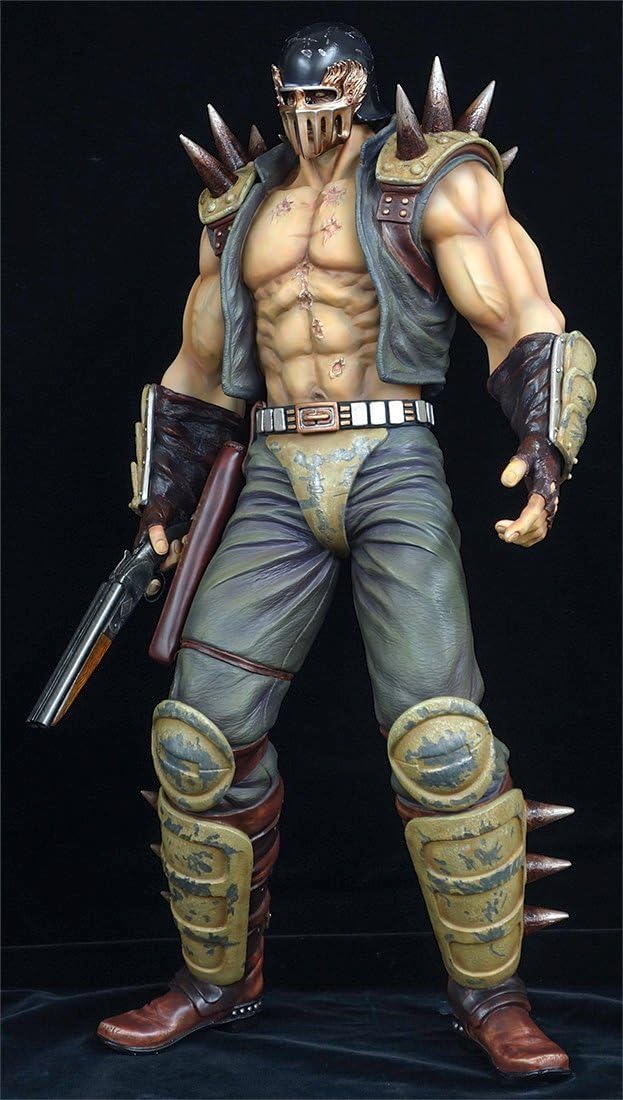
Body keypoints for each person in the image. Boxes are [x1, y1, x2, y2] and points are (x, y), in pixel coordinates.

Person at [96, 23, 596, 1077]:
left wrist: (545, 441)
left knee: (441, 742)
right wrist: (162, 496)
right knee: (197, 736)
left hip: (389, 454)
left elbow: (517, 307)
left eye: (320, 96)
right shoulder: (242, 205)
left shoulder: (427, 179)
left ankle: (491, 997)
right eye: (287, 97)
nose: (302, 116)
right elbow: (197, 363)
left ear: (358, 86)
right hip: (275, 467)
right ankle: (214, 981)